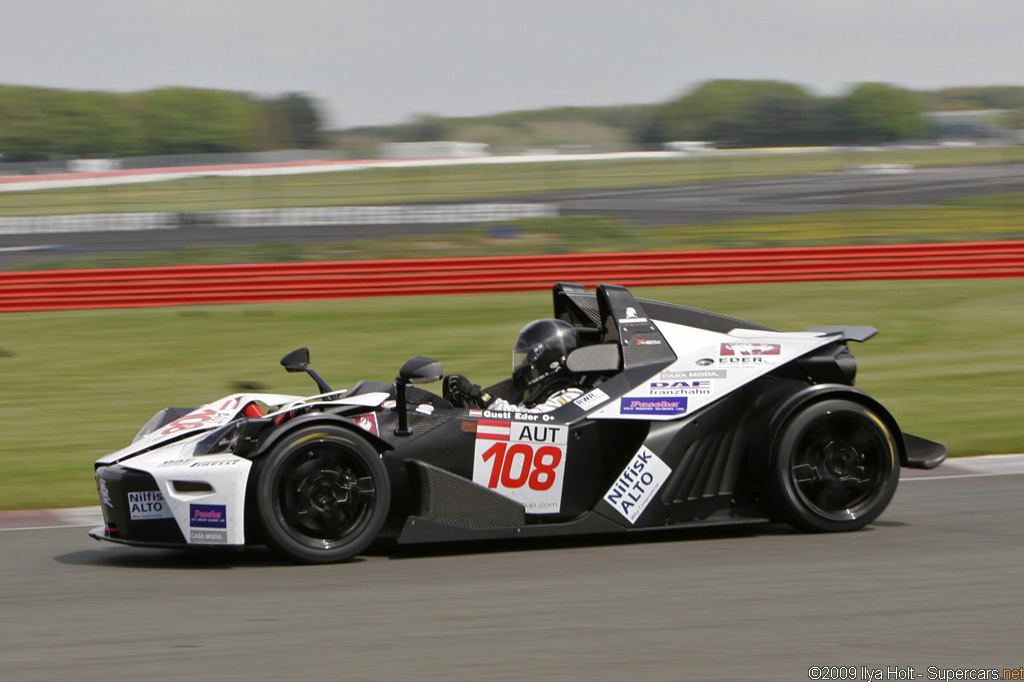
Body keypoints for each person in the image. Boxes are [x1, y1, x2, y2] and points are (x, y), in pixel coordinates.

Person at [445, 319, 584, 413]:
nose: (523, 362)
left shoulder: (571, 398)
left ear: (549, 360)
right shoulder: (533, 396)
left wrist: (482, 398)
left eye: (528, 357)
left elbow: (527, 420)